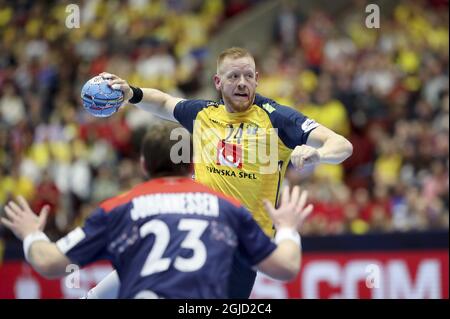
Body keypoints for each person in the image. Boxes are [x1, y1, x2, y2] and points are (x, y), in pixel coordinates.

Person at [1, 122, 313, 299]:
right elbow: (285, 267)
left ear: (143, 165)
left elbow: (49, 262)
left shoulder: (119, 209)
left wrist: (31, 234)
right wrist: (286, 227)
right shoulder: (228, 209)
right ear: (192, 165)